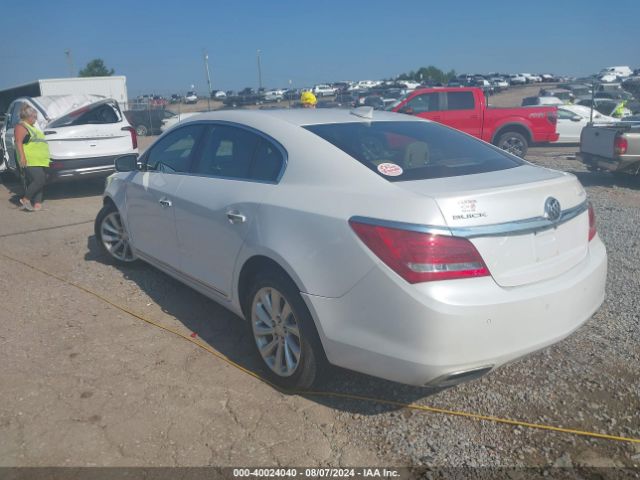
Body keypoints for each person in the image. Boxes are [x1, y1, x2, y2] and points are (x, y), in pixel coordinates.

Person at [14, 104, 50, 211]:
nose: (36, 119)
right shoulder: (21, 127)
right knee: (40, 179)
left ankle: (37, 203)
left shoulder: (33, 127)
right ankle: (25, 199)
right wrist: (22, 157)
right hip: (30, 159)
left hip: (40, 160)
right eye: (34, 117)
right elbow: (18, 142)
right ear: (28, 117)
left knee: (38, 180)